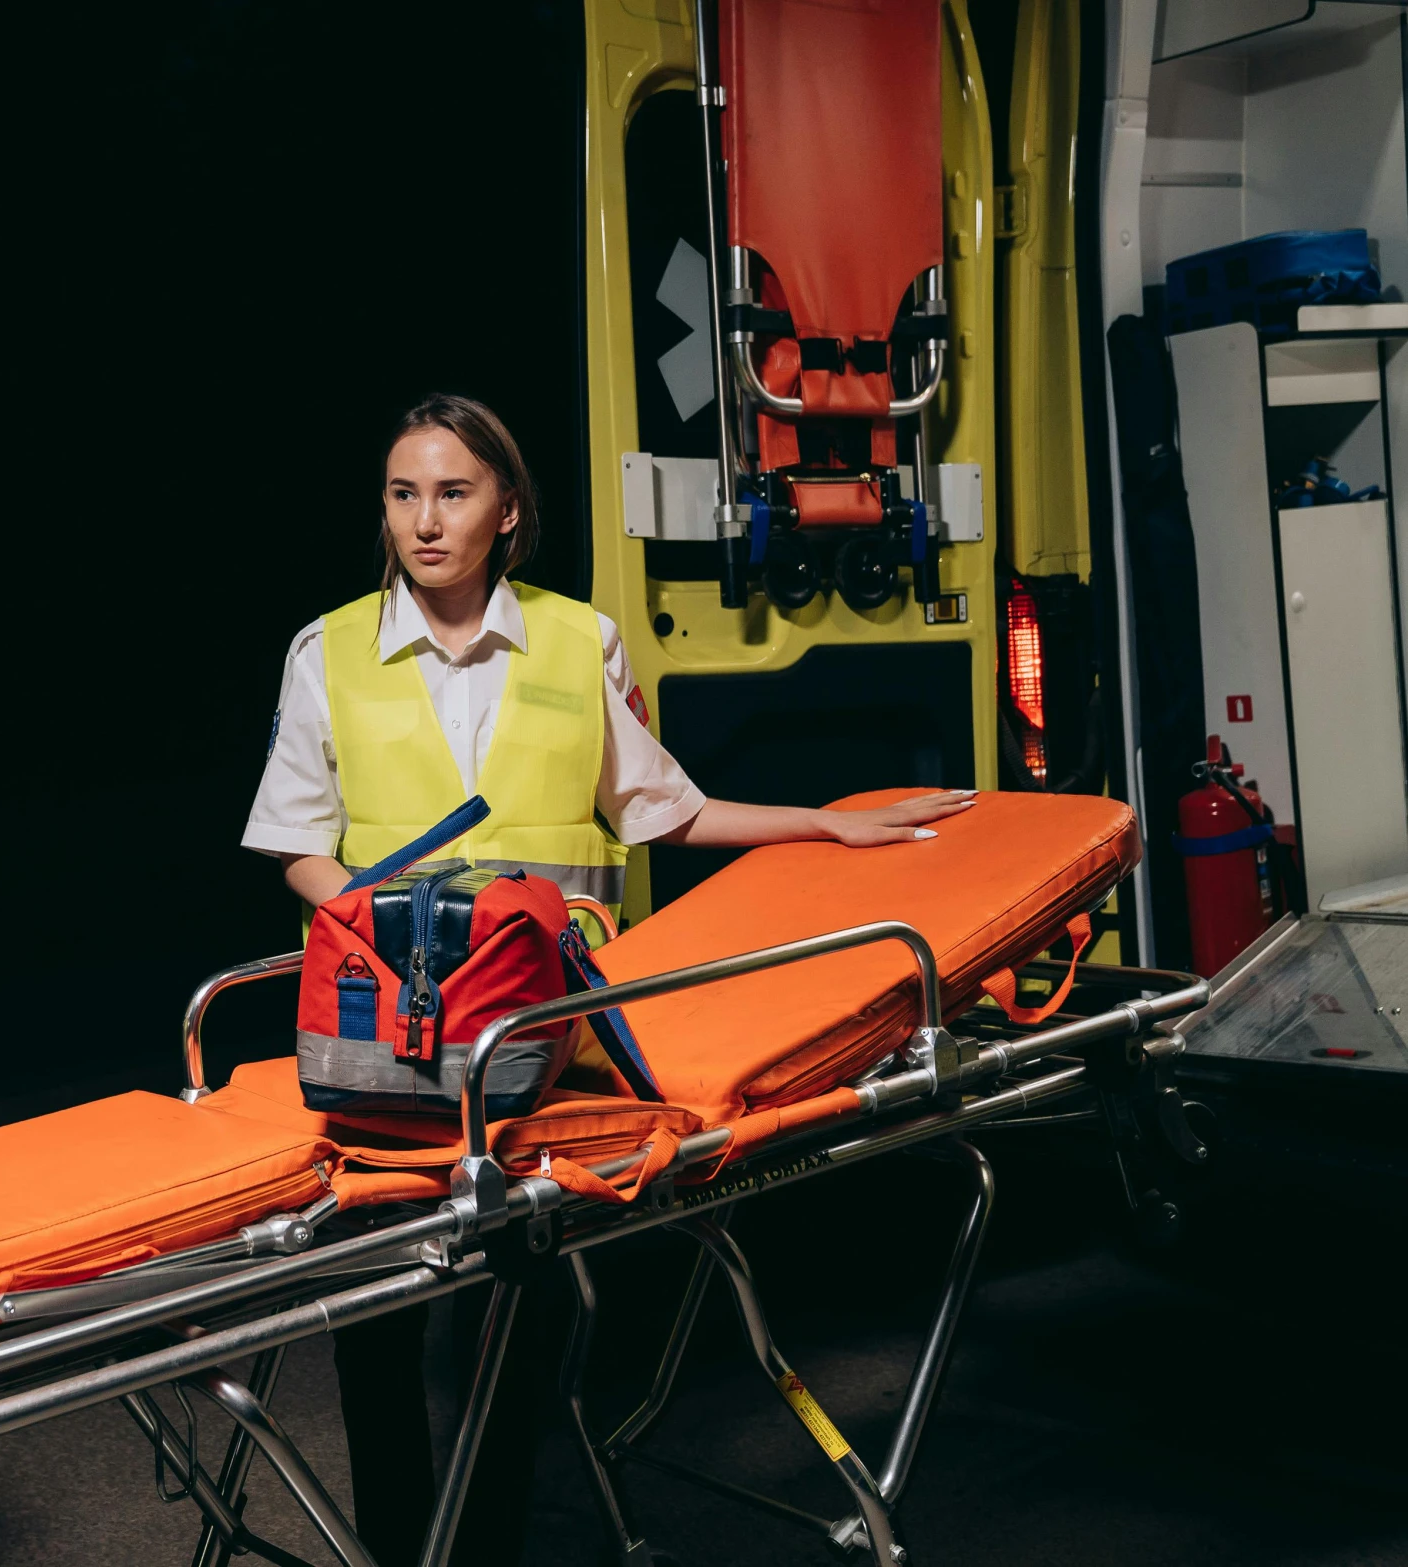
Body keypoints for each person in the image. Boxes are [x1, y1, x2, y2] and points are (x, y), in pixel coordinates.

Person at [242, 393, 970, 1566]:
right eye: (401, 493)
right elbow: (294, 837)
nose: (423, 521)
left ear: (508, 510)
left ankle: (480, 1551)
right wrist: (388, 937)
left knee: (513, 1298)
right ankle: (393, 1547)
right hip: (386, 1027)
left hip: (542, 1028)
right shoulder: (325, 649)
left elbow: (662, 809)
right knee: (373, 1309)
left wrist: (831, 827)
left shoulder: (579, 641)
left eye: (452, 492)